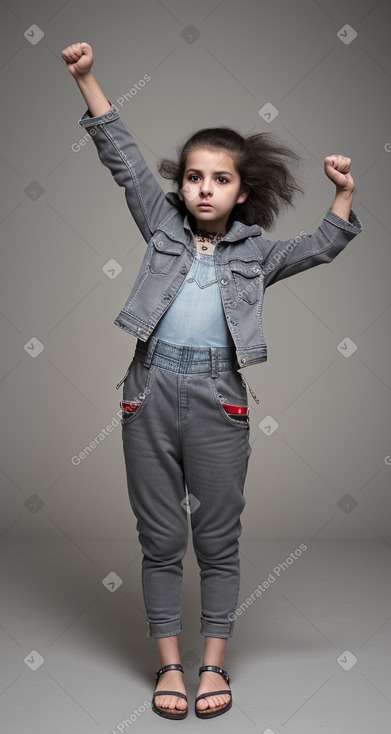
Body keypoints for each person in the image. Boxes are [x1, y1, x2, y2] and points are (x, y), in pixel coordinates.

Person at [61, 41, 363, 720]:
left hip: (217, 397)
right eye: (194, 177)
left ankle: (212, 666)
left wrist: (343, 193)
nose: (203, 189)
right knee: (160, 537)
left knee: (216, 540)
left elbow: (321, 245)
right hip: (147, 392)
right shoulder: (160, 223)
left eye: (219, 179)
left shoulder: (256, 255)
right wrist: (88, 78)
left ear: (242, 189)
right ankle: (169, 666)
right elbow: (124, 159)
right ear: (182, 186)